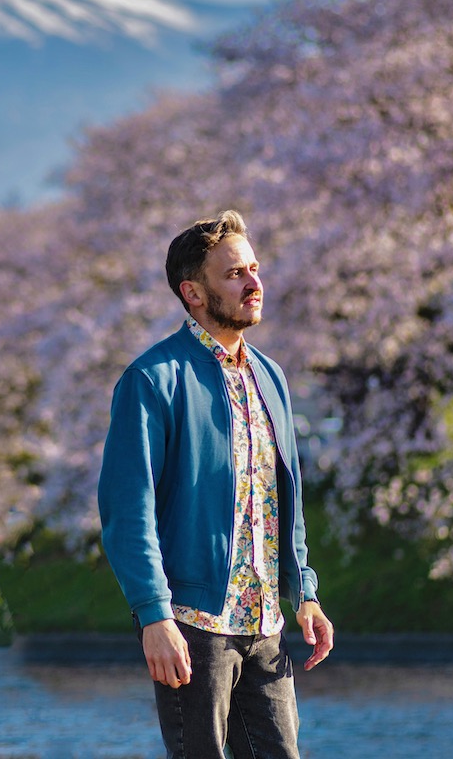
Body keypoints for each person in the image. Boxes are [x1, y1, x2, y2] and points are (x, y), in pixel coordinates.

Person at [97, 209, 332, 759]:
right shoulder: (151, 380)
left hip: (267, 619)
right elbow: (127, 513)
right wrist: (154, 616)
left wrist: (307, 592)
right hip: (192, 623)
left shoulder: (270, 375)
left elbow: (283, 497)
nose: (254, 284)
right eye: (234, 274)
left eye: (254, 268)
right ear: (193, 293)